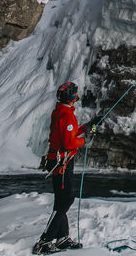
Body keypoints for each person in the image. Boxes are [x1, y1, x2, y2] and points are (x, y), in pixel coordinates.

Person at [33, 81, 92, 254]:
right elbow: (69, 142)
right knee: (66, 200)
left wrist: (85, 128)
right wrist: (85, 139)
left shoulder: (61, 111)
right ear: (72, 97)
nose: (77, 96)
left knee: (62, 199)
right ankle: (44, 241)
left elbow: (69, 133)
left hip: (59, 161)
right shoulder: (67, 116)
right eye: (75, 94)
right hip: (62, 163)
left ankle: (62, 238)